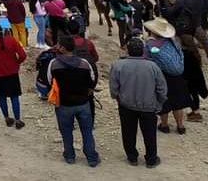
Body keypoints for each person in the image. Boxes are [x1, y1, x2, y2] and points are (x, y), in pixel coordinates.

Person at [110, 37, 167, 168]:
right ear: (142, 51)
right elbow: (162, 89)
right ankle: (151, 159)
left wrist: (119, 98)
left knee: (128, 132)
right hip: (148, 106)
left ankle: (132, 157)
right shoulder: (153, 66)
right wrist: (159, 103)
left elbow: (114, 89)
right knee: (150, 134)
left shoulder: (118, 65)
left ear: (128, 51)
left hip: (126, 105)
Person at [49, 35, 100, 167]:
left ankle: (70, 156)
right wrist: (86, 94)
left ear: (62, 48)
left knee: (66, 131)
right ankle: (91, 158)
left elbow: (50, 81)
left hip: (64, 104)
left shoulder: (54, 64)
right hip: (83, 103)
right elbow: (92, 82)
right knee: (87, 131)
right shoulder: (84, 63)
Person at [143, 18, 190, 134]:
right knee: (178, 103)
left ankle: (164, 126)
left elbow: (145, 60)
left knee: (163, 102)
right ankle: (180, 127)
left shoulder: (150, 44)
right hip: (177, 76)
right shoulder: (173, 42)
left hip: (162, 76)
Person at [0, 22, 27, 129]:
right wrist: (17, 62)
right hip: (12, 73)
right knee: (14, 97)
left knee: (2, 98)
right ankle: (18, 120)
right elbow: (22, 55)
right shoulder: (11, 40)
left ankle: (7, 119)